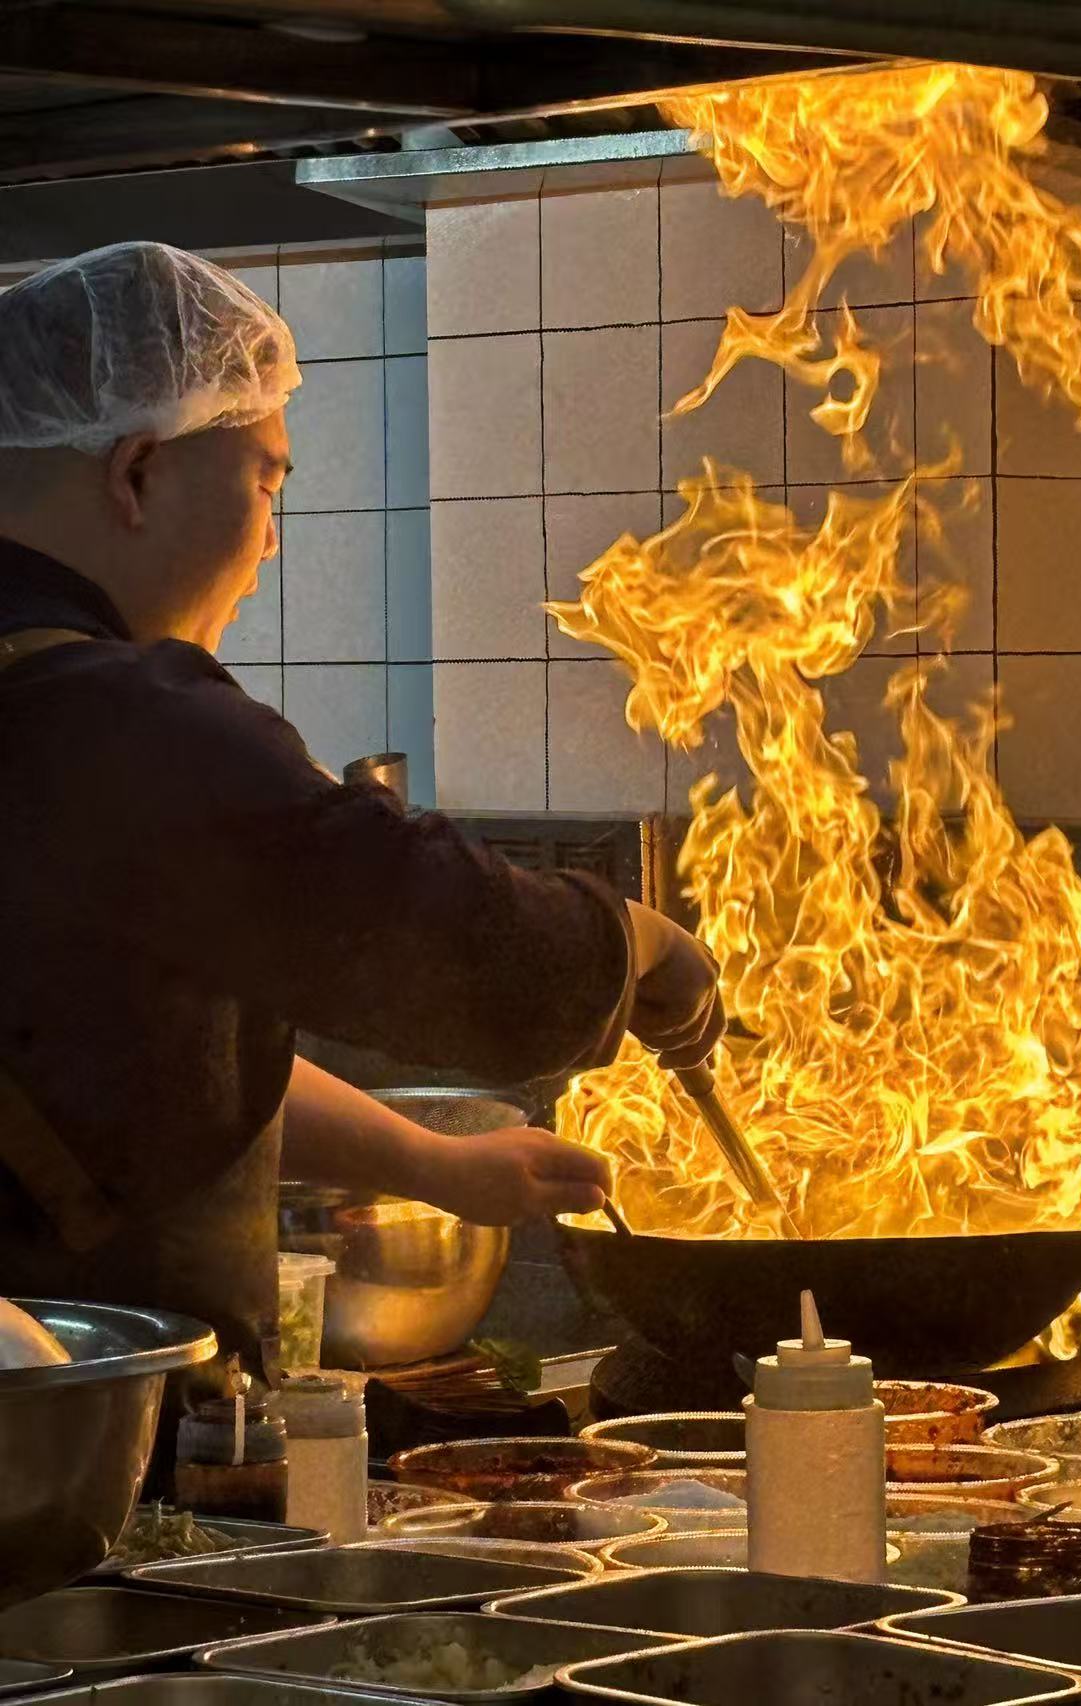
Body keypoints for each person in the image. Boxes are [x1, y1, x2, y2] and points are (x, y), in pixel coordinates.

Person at [0, 241, 723, 1403]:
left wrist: (434, 1164)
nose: (269, 543)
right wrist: (635, 943)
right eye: (265, 484)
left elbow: (126, 1059)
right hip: (66, 1439)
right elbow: (426, 930)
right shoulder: (111, 720)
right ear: (136, 471)